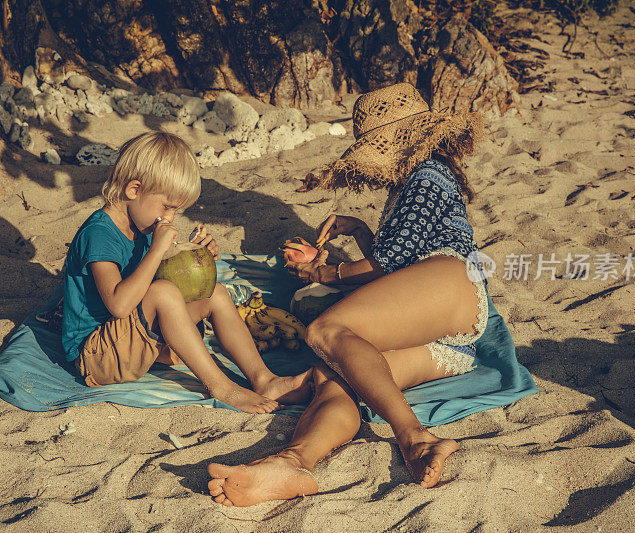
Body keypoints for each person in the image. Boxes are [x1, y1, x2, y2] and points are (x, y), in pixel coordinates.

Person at [207, 83, 488, 505]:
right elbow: (400, 271)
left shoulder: (425, 177)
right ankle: (295, 461)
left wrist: (327, 271)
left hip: (452, 285)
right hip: (443, 328)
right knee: (336, 378)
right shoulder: (417, 180)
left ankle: (413, 437)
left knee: (325, 330)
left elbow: (391, 264)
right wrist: (358, 230)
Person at [62, 131, 311, 414]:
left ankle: (263, 379)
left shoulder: (140, 222)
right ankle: (222, 387)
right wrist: (157, 251)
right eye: (166, 207)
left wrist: (198, 257)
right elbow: (120, 305)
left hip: (131, 340)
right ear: (134, 190)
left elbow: (156, 278)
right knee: (164, 293)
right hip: (97, 355)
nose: (169, 218)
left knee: (213, 293)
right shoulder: (99, 233)